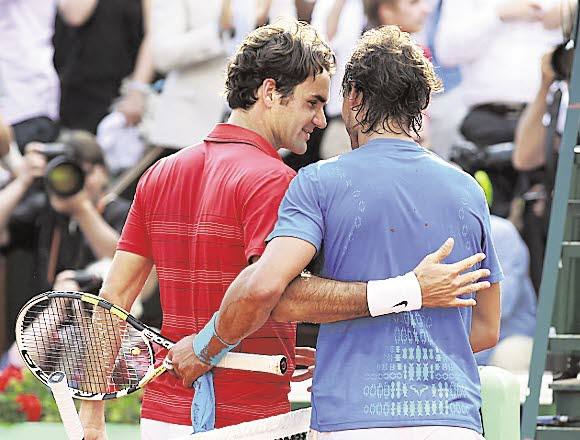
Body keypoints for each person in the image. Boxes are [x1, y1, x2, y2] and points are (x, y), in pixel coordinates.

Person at [79, 20, 491, 439]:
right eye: (312, 102)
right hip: (251, 419)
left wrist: (91, 420)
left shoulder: (159, 173)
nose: (319, 119)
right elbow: (269, 294)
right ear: (270, 92)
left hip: (163, 419)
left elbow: (114, 299)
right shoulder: (276, 182)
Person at [0, 130, 131, 344]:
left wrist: (82, 209)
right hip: (46, 331)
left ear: (103, 173)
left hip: (101, 335)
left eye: (83, 173)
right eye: (65, 173)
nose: (74, 182)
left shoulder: (120, 211)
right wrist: (22, 180)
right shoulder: (46, 210)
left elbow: (123, 262)